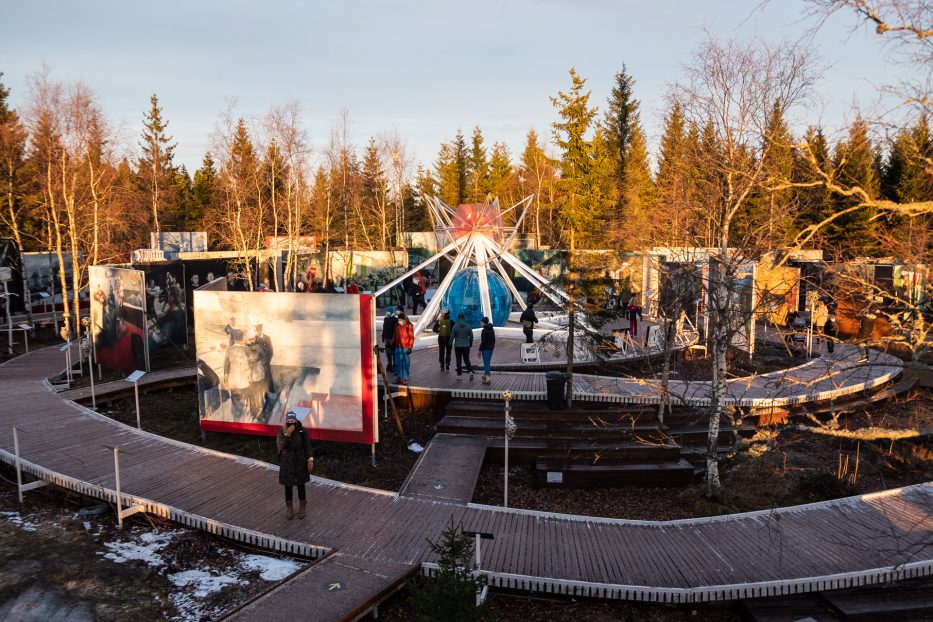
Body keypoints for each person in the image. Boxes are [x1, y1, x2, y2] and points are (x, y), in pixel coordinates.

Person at [276, 411, 312, 520]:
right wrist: (287, 435)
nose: (291, 422)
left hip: (300, 461)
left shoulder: (302, 431)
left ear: (296, 420)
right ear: (286, 421)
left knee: (301, 484)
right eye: (289, 421)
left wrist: (310, 459)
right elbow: (281, 447)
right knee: (288, 485)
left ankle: (302, 506)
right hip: (287, 463)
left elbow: (307, 446)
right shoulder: (282, 431)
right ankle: (289, 508)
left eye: (293, 420)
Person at [223, 329, 253, 422]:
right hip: (244, 381)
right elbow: (252, 363)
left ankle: (236, 420)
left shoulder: (229, 349)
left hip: (233, 382)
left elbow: (226, 365)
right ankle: (245, 421)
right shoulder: (246, 349)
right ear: (242, 337)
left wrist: (226, 380)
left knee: (235, 401)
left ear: (234, 338)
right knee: (245, 401)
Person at [451, 312, 474, 379]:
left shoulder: (455, 326)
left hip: (458, 346)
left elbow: (452, 337)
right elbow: (471, 336)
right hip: (466, 346)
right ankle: (470, 372)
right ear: (464, 318)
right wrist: (470, 343)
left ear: (458, 318)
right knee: (466, 359)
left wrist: (450, 343)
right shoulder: (468, 326)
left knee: (458, 360)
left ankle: (459, 375)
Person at [393, 312, 415, 385]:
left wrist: (410, 347)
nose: (400, 321)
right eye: (398, 320)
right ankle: (398, 378)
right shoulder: (396, 325)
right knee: (397, 363)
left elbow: (411, 337)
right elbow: (395, 335)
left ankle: (405, 379)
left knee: (405, 363)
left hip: (405, 347)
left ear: (404, 320)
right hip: (397, 347)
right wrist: (392, 343)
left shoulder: (409, 326)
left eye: (401, 320)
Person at [478, 317, 495, 384]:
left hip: (485, 349)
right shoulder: (492, 329)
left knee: (486, 363)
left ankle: (487, 379)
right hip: (491, 348)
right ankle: (485, 376)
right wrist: (492, 347)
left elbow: (483, 342)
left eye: (481, 322)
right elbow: (494, 339)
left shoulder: (484, 331)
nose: (480, 323)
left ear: (483, 322)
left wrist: (480, 350)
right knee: (487, 362)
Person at [382, 307, 398, 372]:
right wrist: (383, 336)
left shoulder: (394, 319)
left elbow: (395, 330)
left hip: (392, 339)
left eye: (388, 311)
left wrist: (394, 339)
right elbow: (384, 328)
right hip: (386, 338)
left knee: (393, 352)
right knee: (388, 352)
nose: (387, 312)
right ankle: (389, 364)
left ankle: (394, 365)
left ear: (391, 312)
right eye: (387, 311)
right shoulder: (385, 319)